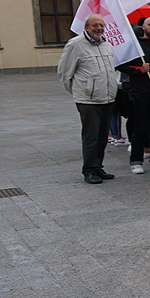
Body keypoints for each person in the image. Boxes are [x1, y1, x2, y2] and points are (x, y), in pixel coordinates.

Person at [57, 15, 119, 184]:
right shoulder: (75, 44)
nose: (99, 28)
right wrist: (81, 92)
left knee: (102, 137)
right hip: (88, 101)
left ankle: (98, 167)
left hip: (107, 98)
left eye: (101, 25)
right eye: (95, 25)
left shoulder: (106, 44)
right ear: (86, 27)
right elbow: (64, 72)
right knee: (91, 137)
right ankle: (89, 170)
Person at [117, 16, 150, 174]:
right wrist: (139, 70)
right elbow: (121, 65)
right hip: (140, 93)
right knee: (140, 128)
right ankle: (136, 161)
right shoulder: (135, 47)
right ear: (144, 27)